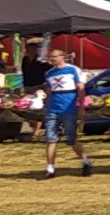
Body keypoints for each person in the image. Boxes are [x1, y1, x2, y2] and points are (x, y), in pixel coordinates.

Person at [39, 48, 92, 178]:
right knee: (51, 139)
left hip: (69, 108)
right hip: (53, 109)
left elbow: (81, 89)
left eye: (54, 57)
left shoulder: (73, 70)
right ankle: (50, 168)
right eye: (50, 57)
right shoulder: (49, 73)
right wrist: (46, 107)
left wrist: (81, 107)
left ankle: (86, 161)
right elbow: (49, 92)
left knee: (71, 139)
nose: (52, 59)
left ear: (62, 57)